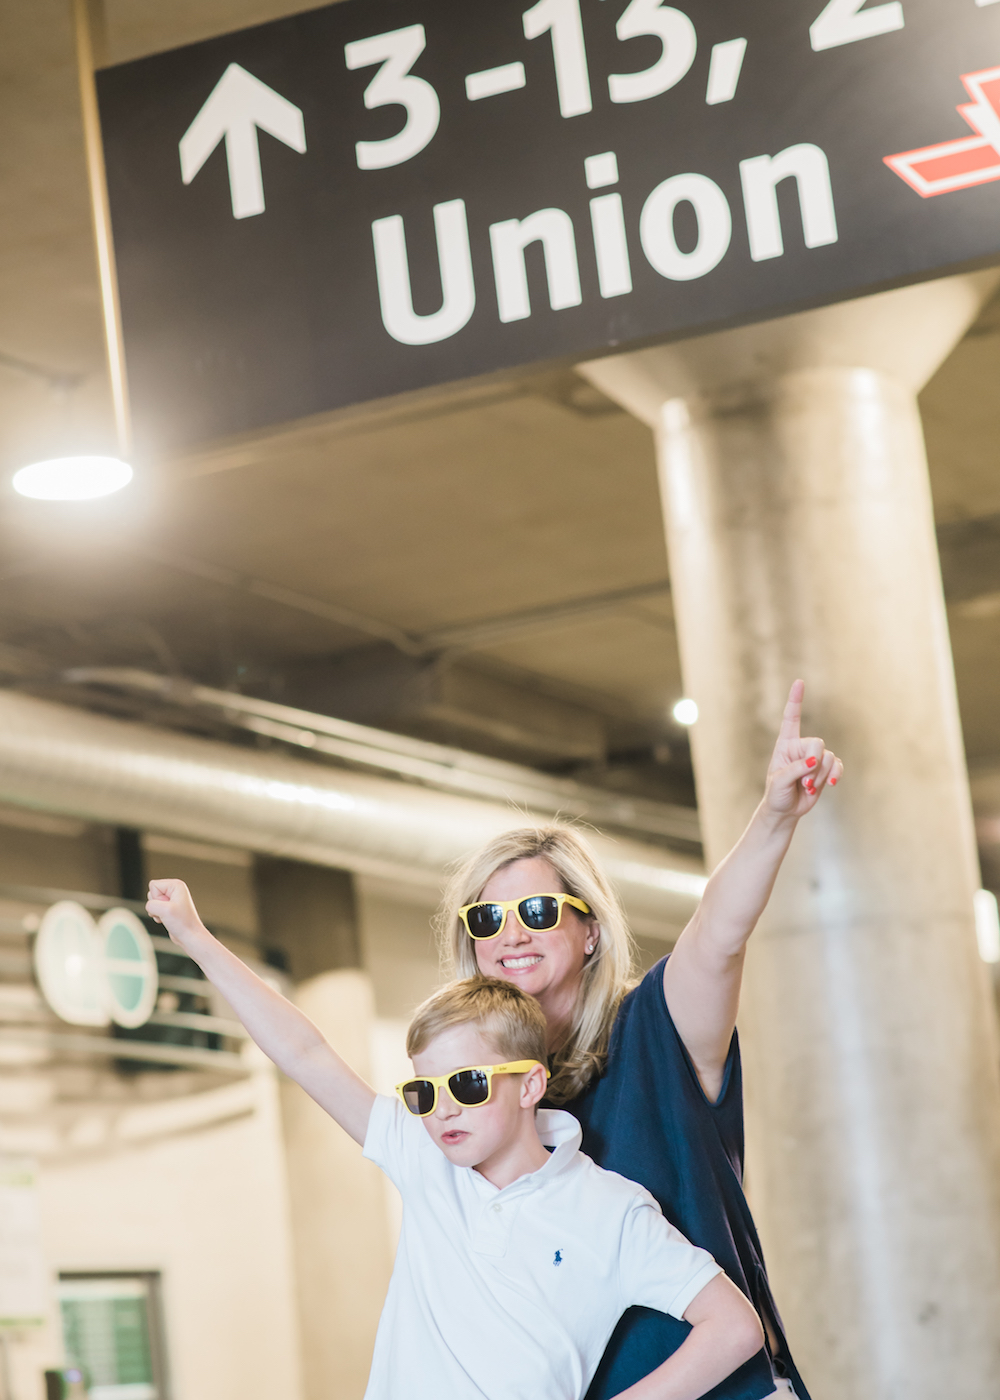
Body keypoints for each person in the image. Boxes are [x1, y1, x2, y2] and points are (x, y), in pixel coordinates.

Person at [145, 880, 763, 1400]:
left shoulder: (611, 1211)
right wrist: (196, 939)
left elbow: (735, 1328)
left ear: (529, 1086)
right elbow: (306, 1053)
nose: (442, 1110)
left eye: (468, 1084)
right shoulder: (423, 1158)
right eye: (425, 1092)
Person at [437, 680, 843, 1400]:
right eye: (487, 918)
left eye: (535, 908)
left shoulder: (655, 1027)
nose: (512, 933)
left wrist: (776, 815)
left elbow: (718, 935)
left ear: (589, 930)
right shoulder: (481, 1094)